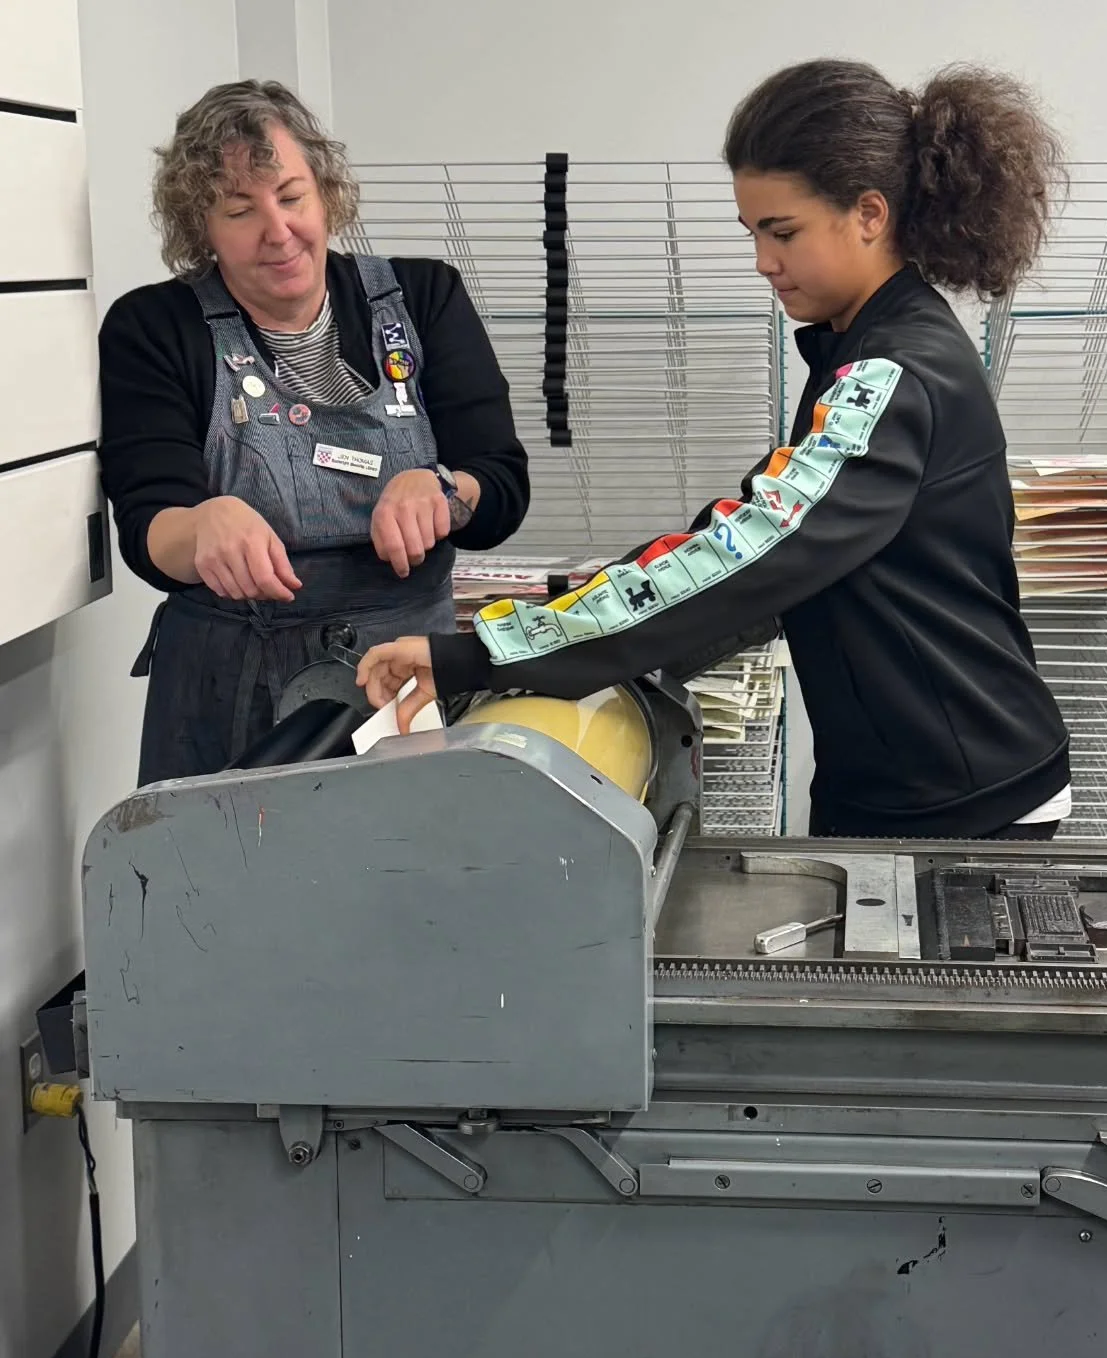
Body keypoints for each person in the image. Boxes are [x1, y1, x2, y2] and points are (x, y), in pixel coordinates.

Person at [358, 59, 1071, 841]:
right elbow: (742, 545)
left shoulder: (892, 374)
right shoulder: (861, 347)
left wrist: (480, 653)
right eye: (753, 233)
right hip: (899, 779)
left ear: (869, 213)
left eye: (783, 231)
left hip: (964, 796)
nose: (764, 260)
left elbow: (747, 557)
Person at [99, 80, 529, 785]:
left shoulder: (424, 298)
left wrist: (445, 489)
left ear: (326, 192)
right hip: (227, 686)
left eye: (292, 197)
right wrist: (202, 526)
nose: (278, 231)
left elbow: (502, 484)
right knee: (220, 886)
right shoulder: (154, 328)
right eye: (240, 211)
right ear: (199, 228)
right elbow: (150, 525)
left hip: (403, 680)